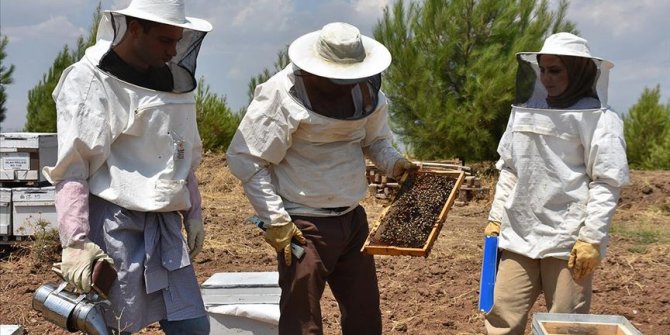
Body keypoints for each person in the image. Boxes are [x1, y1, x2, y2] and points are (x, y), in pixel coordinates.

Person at [226, 22, 418, 335]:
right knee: (303, 321)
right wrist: (275, 220)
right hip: (303, 226)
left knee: (365, 316)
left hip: (353, 219)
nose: (346, 84)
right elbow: (247, 157)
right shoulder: (280, 94)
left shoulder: (368, 92)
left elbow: (375, 140)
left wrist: (395, 163)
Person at [43, 0, 212, 333]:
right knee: (114, 327)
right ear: (135, 29)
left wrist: (193, 213)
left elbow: (180, 153)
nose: (172, 50)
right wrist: (75, 242)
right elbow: (74, 167)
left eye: (178, 40)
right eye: (165, 40)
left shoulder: (173, 84)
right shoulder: (89, 81)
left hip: (164, 227)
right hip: (114, 225)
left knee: (192, 327)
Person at [483, 32, 630, 334]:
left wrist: (591, 238)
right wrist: (496, 218)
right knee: (501, 320)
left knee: (565, 325)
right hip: (519, 234)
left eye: (556, 70)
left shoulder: (601, 119)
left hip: (568, 240)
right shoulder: (524, 112)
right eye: (543, 70)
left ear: (578, 72)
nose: (547, 78)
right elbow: (510, 169)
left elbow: (606, 182)